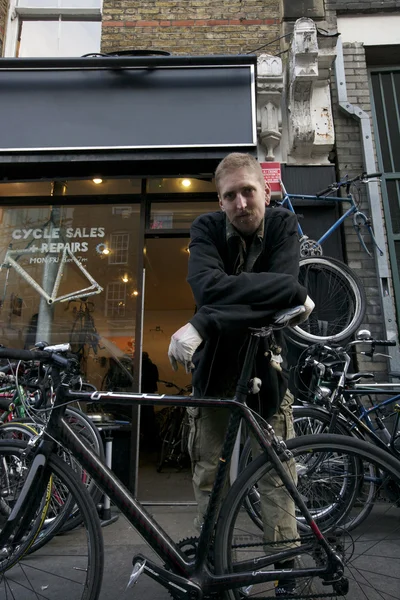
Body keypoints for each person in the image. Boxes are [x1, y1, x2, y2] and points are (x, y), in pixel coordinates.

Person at [168, 153, 313, 597]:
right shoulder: (206, 229)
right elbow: (209, 286)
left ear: (265, 192)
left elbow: (290, 285)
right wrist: (268, 296)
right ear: (219, 200)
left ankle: (285, 571)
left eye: (248, 191)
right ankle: (212, 567)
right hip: (214, 374)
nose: (241, 203)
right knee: (210, 474)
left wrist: (206, 321)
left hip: (266, 371)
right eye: (229, 195)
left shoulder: (285, 225)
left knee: (274, 475)